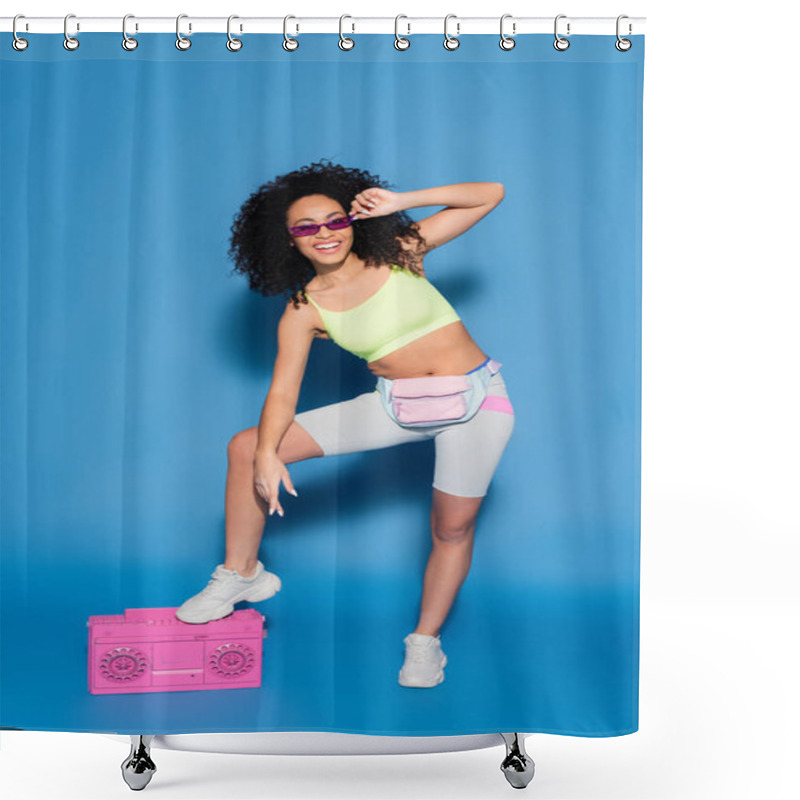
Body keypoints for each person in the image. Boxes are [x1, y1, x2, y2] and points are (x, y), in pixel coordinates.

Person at [175, 160, 515, 688]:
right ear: (289, 241)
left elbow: (488, 193)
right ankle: (242, 573)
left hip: (474, 403)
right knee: (247, 446)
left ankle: (424, 642)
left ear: (353, 221)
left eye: (334, 220)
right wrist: (268, 454)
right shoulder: (304, 308)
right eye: (306, 227)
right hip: (394, 406)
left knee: (452, 528)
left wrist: (401, 202)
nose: (324, 234)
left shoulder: (402, 250)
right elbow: (283, 391)